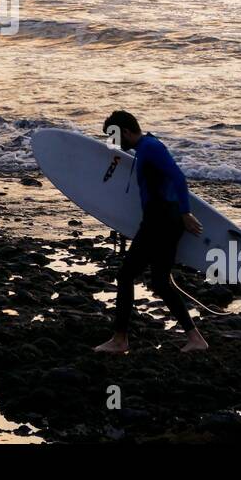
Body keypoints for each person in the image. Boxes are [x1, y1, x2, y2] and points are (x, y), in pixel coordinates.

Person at [94, 110, 209, 355]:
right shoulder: (146, 147)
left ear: (125, 131)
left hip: (161, 221)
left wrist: (186, 213)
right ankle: (195, 338)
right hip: (162, 219)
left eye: (114, 137)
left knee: (126, 276)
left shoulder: (150, 148)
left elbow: (178, 177)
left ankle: (119, 340)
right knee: (159, 281)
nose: (113, 144)